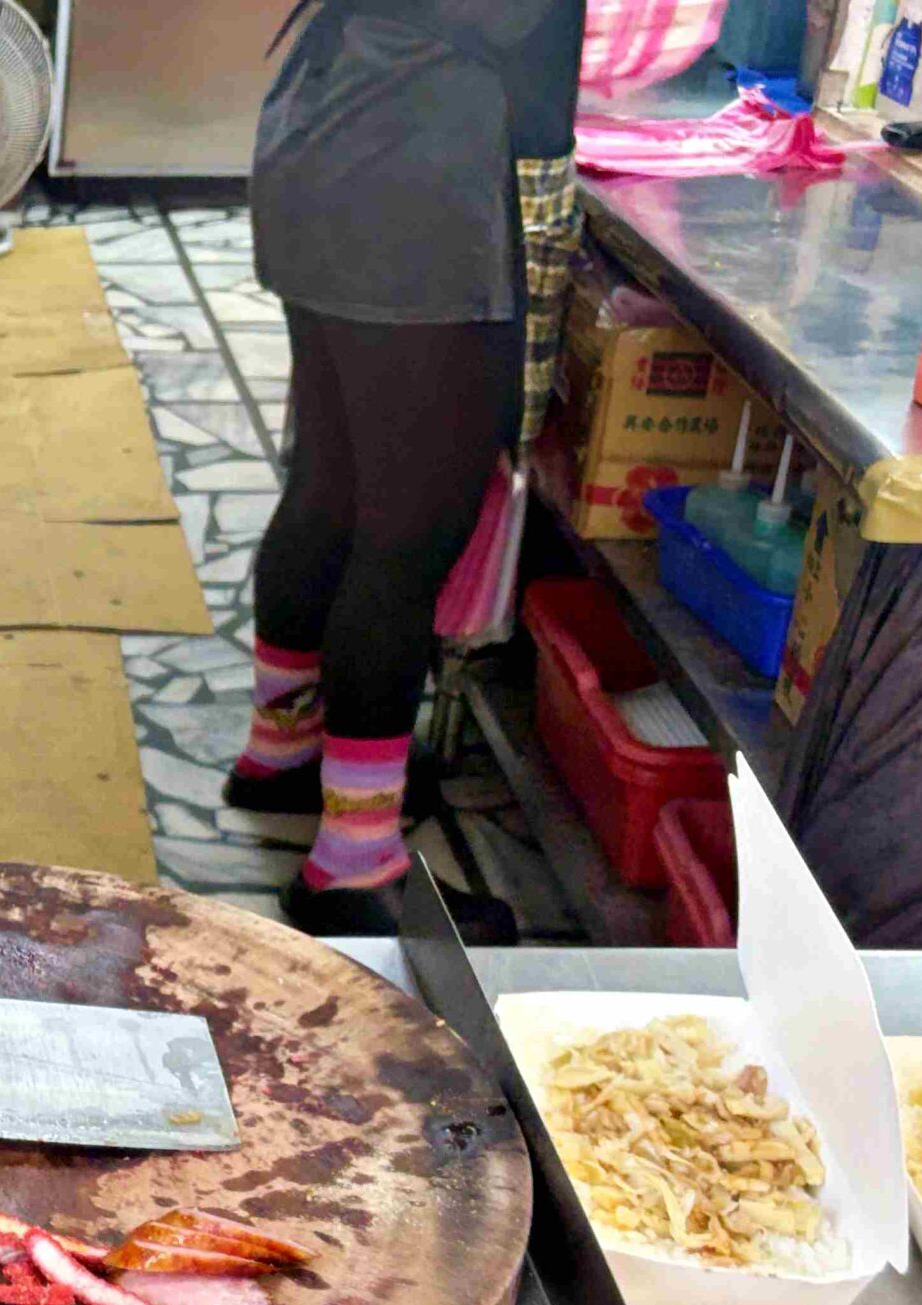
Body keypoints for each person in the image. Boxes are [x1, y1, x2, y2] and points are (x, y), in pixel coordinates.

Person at [231, 0, 587, 943]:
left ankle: (287, 747)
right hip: (418, 194)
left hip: (330, 141)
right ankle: (354, 863)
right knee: (406, 537)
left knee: (331, 485)